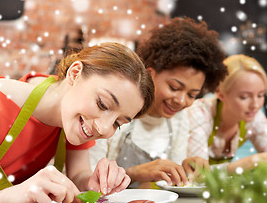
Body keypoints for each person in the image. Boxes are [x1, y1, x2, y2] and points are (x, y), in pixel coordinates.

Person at [0, 42, 154, 203]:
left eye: (118, 123)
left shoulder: (70, 112)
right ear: (74, 74)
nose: (103, 127)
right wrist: (13, 196)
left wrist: (93, 183)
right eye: (103, 104)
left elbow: (78, 174)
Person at [89, 17, 228, 188]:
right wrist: (134, 174)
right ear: (150, 73)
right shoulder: (116, 112)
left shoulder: (179, 120)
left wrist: (184, 170)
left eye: (192, 95)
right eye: (174, 87)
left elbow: (172, 185)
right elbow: (87, 182)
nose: (181, 101)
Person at [185, 54, 267, 174]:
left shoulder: (255, 116)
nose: (255, 105)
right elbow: (197, 174)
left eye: (260, 95)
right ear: (220, 93)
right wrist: (249, 163)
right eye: (244, 97)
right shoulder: (198, 113)